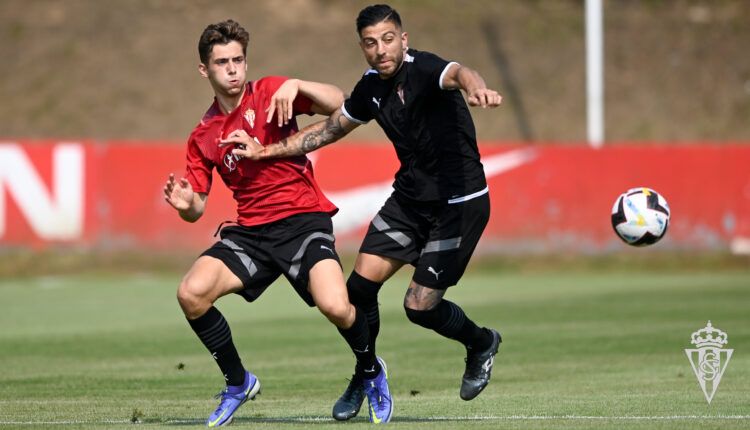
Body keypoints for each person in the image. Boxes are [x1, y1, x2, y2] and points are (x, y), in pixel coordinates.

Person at [222, 4, 503, 421]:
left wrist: (475, 87)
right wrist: (265, 152)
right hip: (409, 202)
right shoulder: (371, 88)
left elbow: (461, 73)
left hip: (458, 205)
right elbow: (328, 129)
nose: (380, 49)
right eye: (371, 43)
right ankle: (366, 372)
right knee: (356, 293)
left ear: (402, 40)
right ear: (363, 48)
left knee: (419, 307)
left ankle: (481, 342)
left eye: (388, 39)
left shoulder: (426, 69)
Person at [164, 19, 392, 426]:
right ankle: (239, 383)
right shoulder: (203, 135)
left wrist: (297, 85)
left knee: (337, 307)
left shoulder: (270, 92)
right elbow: (197, 206)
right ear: (205, 70)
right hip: (252, 233)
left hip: (304, 221)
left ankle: (372, 371)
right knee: (191, 293)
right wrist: (185, 205)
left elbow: (340, 101)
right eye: (222, 63)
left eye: (238, 60)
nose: (233, 69)